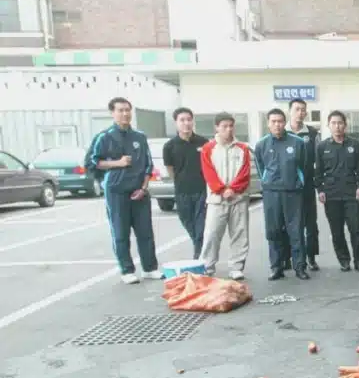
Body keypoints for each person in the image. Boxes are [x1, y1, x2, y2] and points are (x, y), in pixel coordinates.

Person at [86, 97, 161, 285]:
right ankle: (127, 270)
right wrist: (117, 163)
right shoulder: (104, 137)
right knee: (120, 233)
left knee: (145, 232)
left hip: (139, 191)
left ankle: (150, 268)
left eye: (128, 110)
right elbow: (92, 163)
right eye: (120, 110)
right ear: (112, 113)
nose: (125, 114)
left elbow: (148, 164)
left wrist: (143, 188)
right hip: (116, 192)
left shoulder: (139, 137)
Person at [253, 108, 310, 280]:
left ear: (285, 122)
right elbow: (260, 167)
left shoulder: (297, 142)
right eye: (273, 121)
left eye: (280, 121)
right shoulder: (261, 144)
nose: (277, 124)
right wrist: (267, 182)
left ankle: (300, 266)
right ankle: (276, 267)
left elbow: (304, 166)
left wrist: (298, 182)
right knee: (274, 230)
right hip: (271, 193)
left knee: (296, 230)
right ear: (268, 123)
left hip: (293, 193)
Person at [199, 112, 251, 280]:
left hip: (239, 198)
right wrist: (222, 190)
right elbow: (209, 173)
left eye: (231, 126)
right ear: (217, 128)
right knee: (212, 234)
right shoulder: (208, 149)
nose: (228, 130)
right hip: (216, 200)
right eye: (224, 126)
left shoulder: (242, 148)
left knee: (239, 233)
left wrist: (233, 189)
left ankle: (237, 266)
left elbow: (245, 173)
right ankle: (207, 266)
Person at [315, 111, 359, 272]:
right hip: (331, 195)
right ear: (328, 125)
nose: (337, 126)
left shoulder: (354, 144)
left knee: (356, 228)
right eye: (333, 123)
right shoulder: (322, 147)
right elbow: (318, 172)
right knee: (336, 231)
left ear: (345, 125)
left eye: (340, 123)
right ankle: (344, 260)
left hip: (351, 193)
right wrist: (320, 190)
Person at [162, 107, 209, 259]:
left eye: (189, 120)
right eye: (182, 120)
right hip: (182, 191)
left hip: (202, 190)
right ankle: (199, 248)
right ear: (176, 123)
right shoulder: (169, 146)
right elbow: (170, 169)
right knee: (188, 223)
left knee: (201, 226)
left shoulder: (203, 142)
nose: (186, 123)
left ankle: (199, 255)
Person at [282, 98, 321, 271]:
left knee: (310, 224)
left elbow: (319, 160)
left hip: (307, 186)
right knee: (288, 224)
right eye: (297, 109)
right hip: (287, 187)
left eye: (303, 110)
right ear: (290, 111)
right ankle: (288, 258)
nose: (300, 113)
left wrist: (319, 184)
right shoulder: (282, 132)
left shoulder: (312, 134)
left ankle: (311, 257)